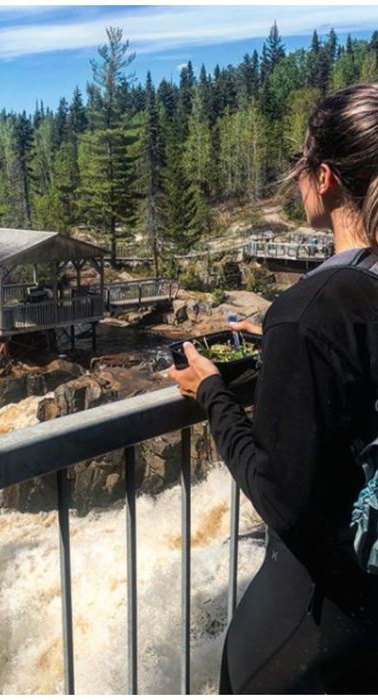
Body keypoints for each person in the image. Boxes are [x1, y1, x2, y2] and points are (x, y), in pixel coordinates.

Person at [170, 84, 378, 692]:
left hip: (318, 631)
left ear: (325, 177)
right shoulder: (323, 314)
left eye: (299, 170)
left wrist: (213, 393)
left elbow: (283, 499)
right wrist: (283, 344)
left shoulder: (308, 311)